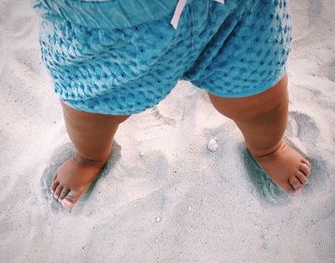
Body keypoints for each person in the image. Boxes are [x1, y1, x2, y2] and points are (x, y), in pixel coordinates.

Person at [33, 0, 311, 208]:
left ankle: (268, 149)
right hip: (104, 25)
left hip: (230, 12)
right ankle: (89, 157)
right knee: (91, 110)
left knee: (257, 96)